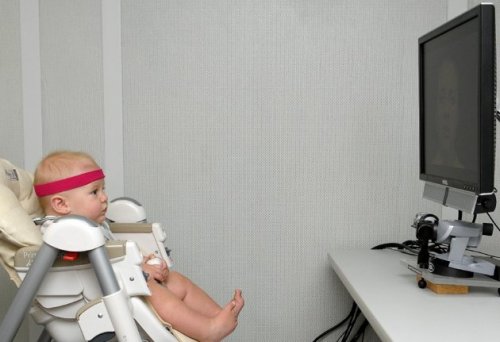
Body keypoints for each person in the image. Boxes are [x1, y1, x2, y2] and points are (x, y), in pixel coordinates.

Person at [33, 150, 244, 342]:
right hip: (98, 298)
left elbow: (111, 253)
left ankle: (217, 315)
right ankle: (207, 329)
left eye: (103, 189)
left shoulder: (91, 224)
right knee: (154, 291)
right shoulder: (63, 232)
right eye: (94, 192)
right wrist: (140, 270)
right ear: (61, 204)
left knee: (174, 280)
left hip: (117, 283)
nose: (105, 197)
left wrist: (143, 262)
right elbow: (86, 266)